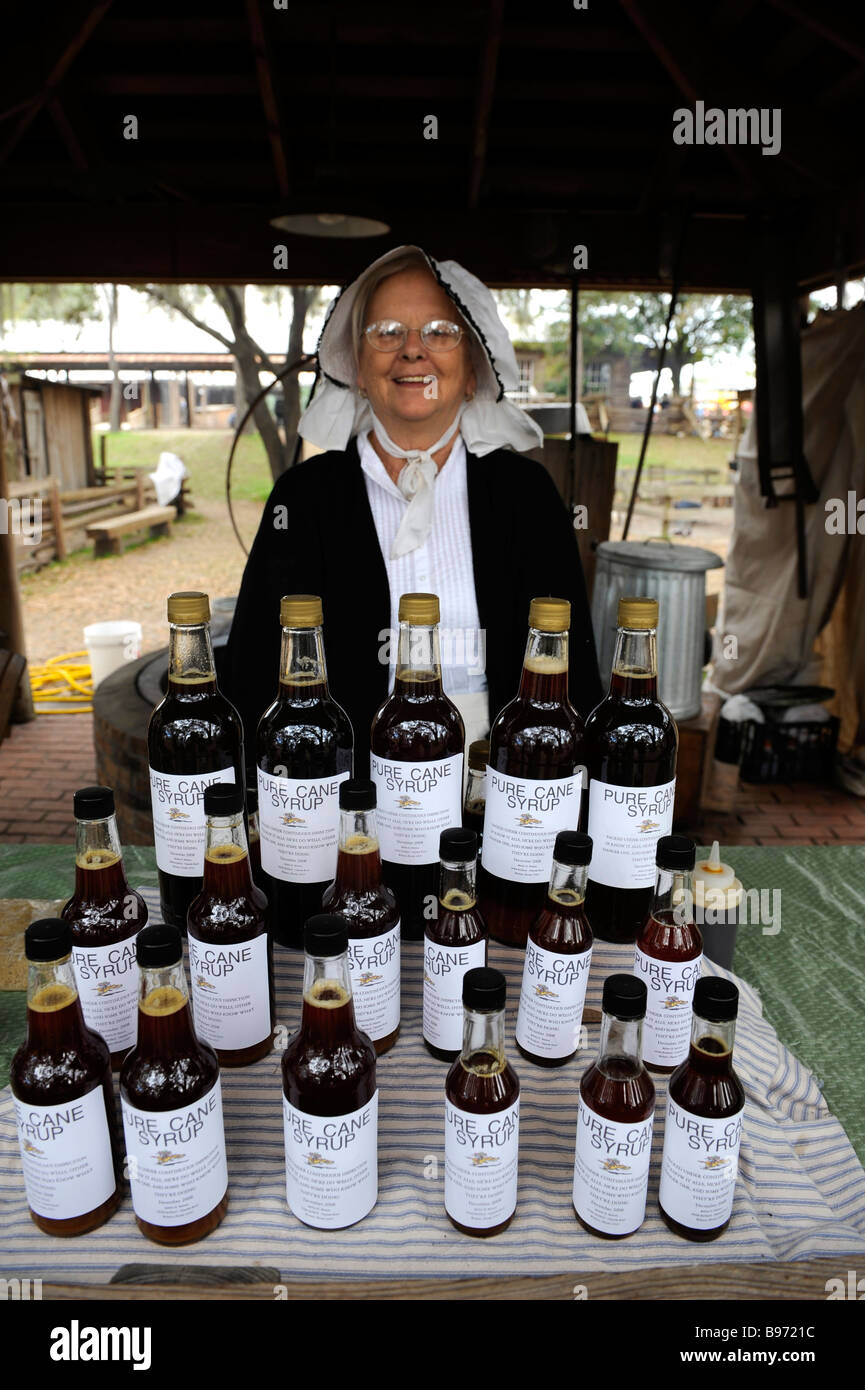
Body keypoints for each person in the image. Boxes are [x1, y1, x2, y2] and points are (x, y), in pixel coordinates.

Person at [223, 245, 602, 776]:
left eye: (440, 332)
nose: (412, 351)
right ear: (357, 367)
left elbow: (573, 671)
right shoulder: (304, 499)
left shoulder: (527, 496)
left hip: (505, 786)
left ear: (474, 370)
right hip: (343, 787)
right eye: (387, 331)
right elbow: (253, 672)